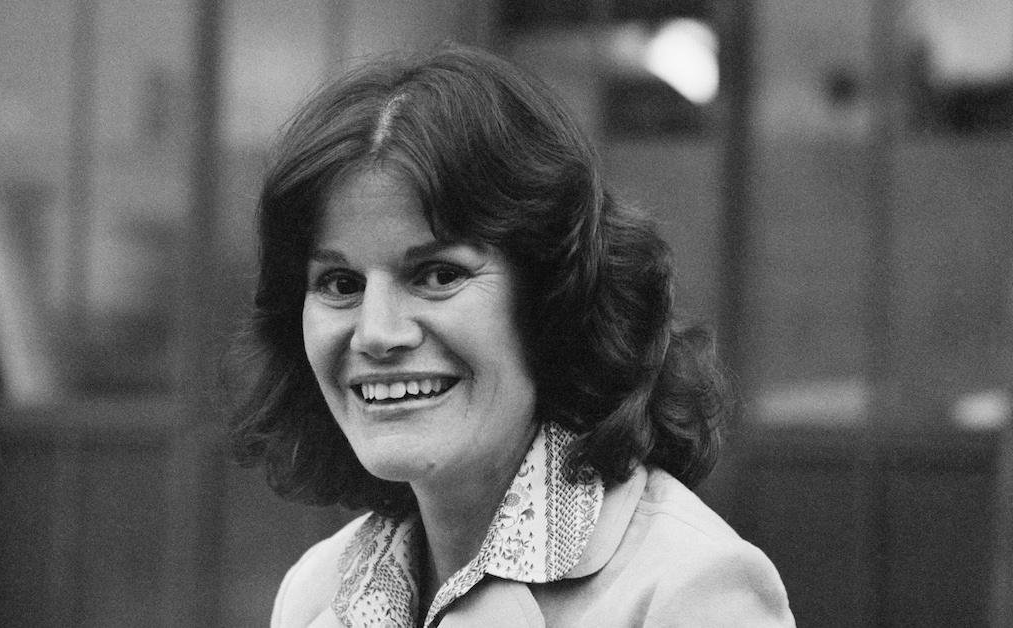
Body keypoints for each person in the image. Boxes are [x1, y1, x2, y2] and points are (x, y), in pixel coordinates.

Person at [232, 45, 795, 627]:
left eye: (439, 275)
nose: (377, 333)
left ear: (553, 295)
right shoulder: (315, 593)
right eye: (340, 283)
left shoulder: (692, 593)